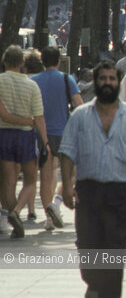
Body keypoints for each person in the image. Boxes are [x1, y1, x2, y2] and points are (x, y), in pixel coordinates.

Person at [59, 59, 126, 297]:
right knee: (88, 248)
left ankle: (106, 293)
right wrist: (67, 187)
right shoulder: (80, 116)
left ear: (118, 82)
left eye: (112, 79)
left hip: (122, 194)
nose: (107, 83)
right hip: (89, 192)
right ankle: (94, 285)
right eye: (103, 78)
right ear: (96, 82)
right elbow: (67, 154)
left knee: (114, 252)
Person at [30, 45, 82, 231]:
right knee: (72, 171)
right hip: (64, 132)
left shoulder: (34, 81)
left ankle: (48, 218)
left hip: (41, 133)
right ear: (59, 60)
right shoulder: (67, 79)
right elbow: (79, 104)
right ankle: (57, 202)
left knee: (46, 176)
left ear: (42, 61)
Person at [0, 45, 49, 238]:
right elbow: (39, 117)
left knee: (8, 181)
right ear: (22, 63)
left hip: (3, 135)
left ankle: (11, 213)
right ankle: (17, 210)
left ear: (4, 62)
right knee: (30, 179)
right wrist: (45, 143)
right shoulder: (32, 85)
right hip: (25, 136)